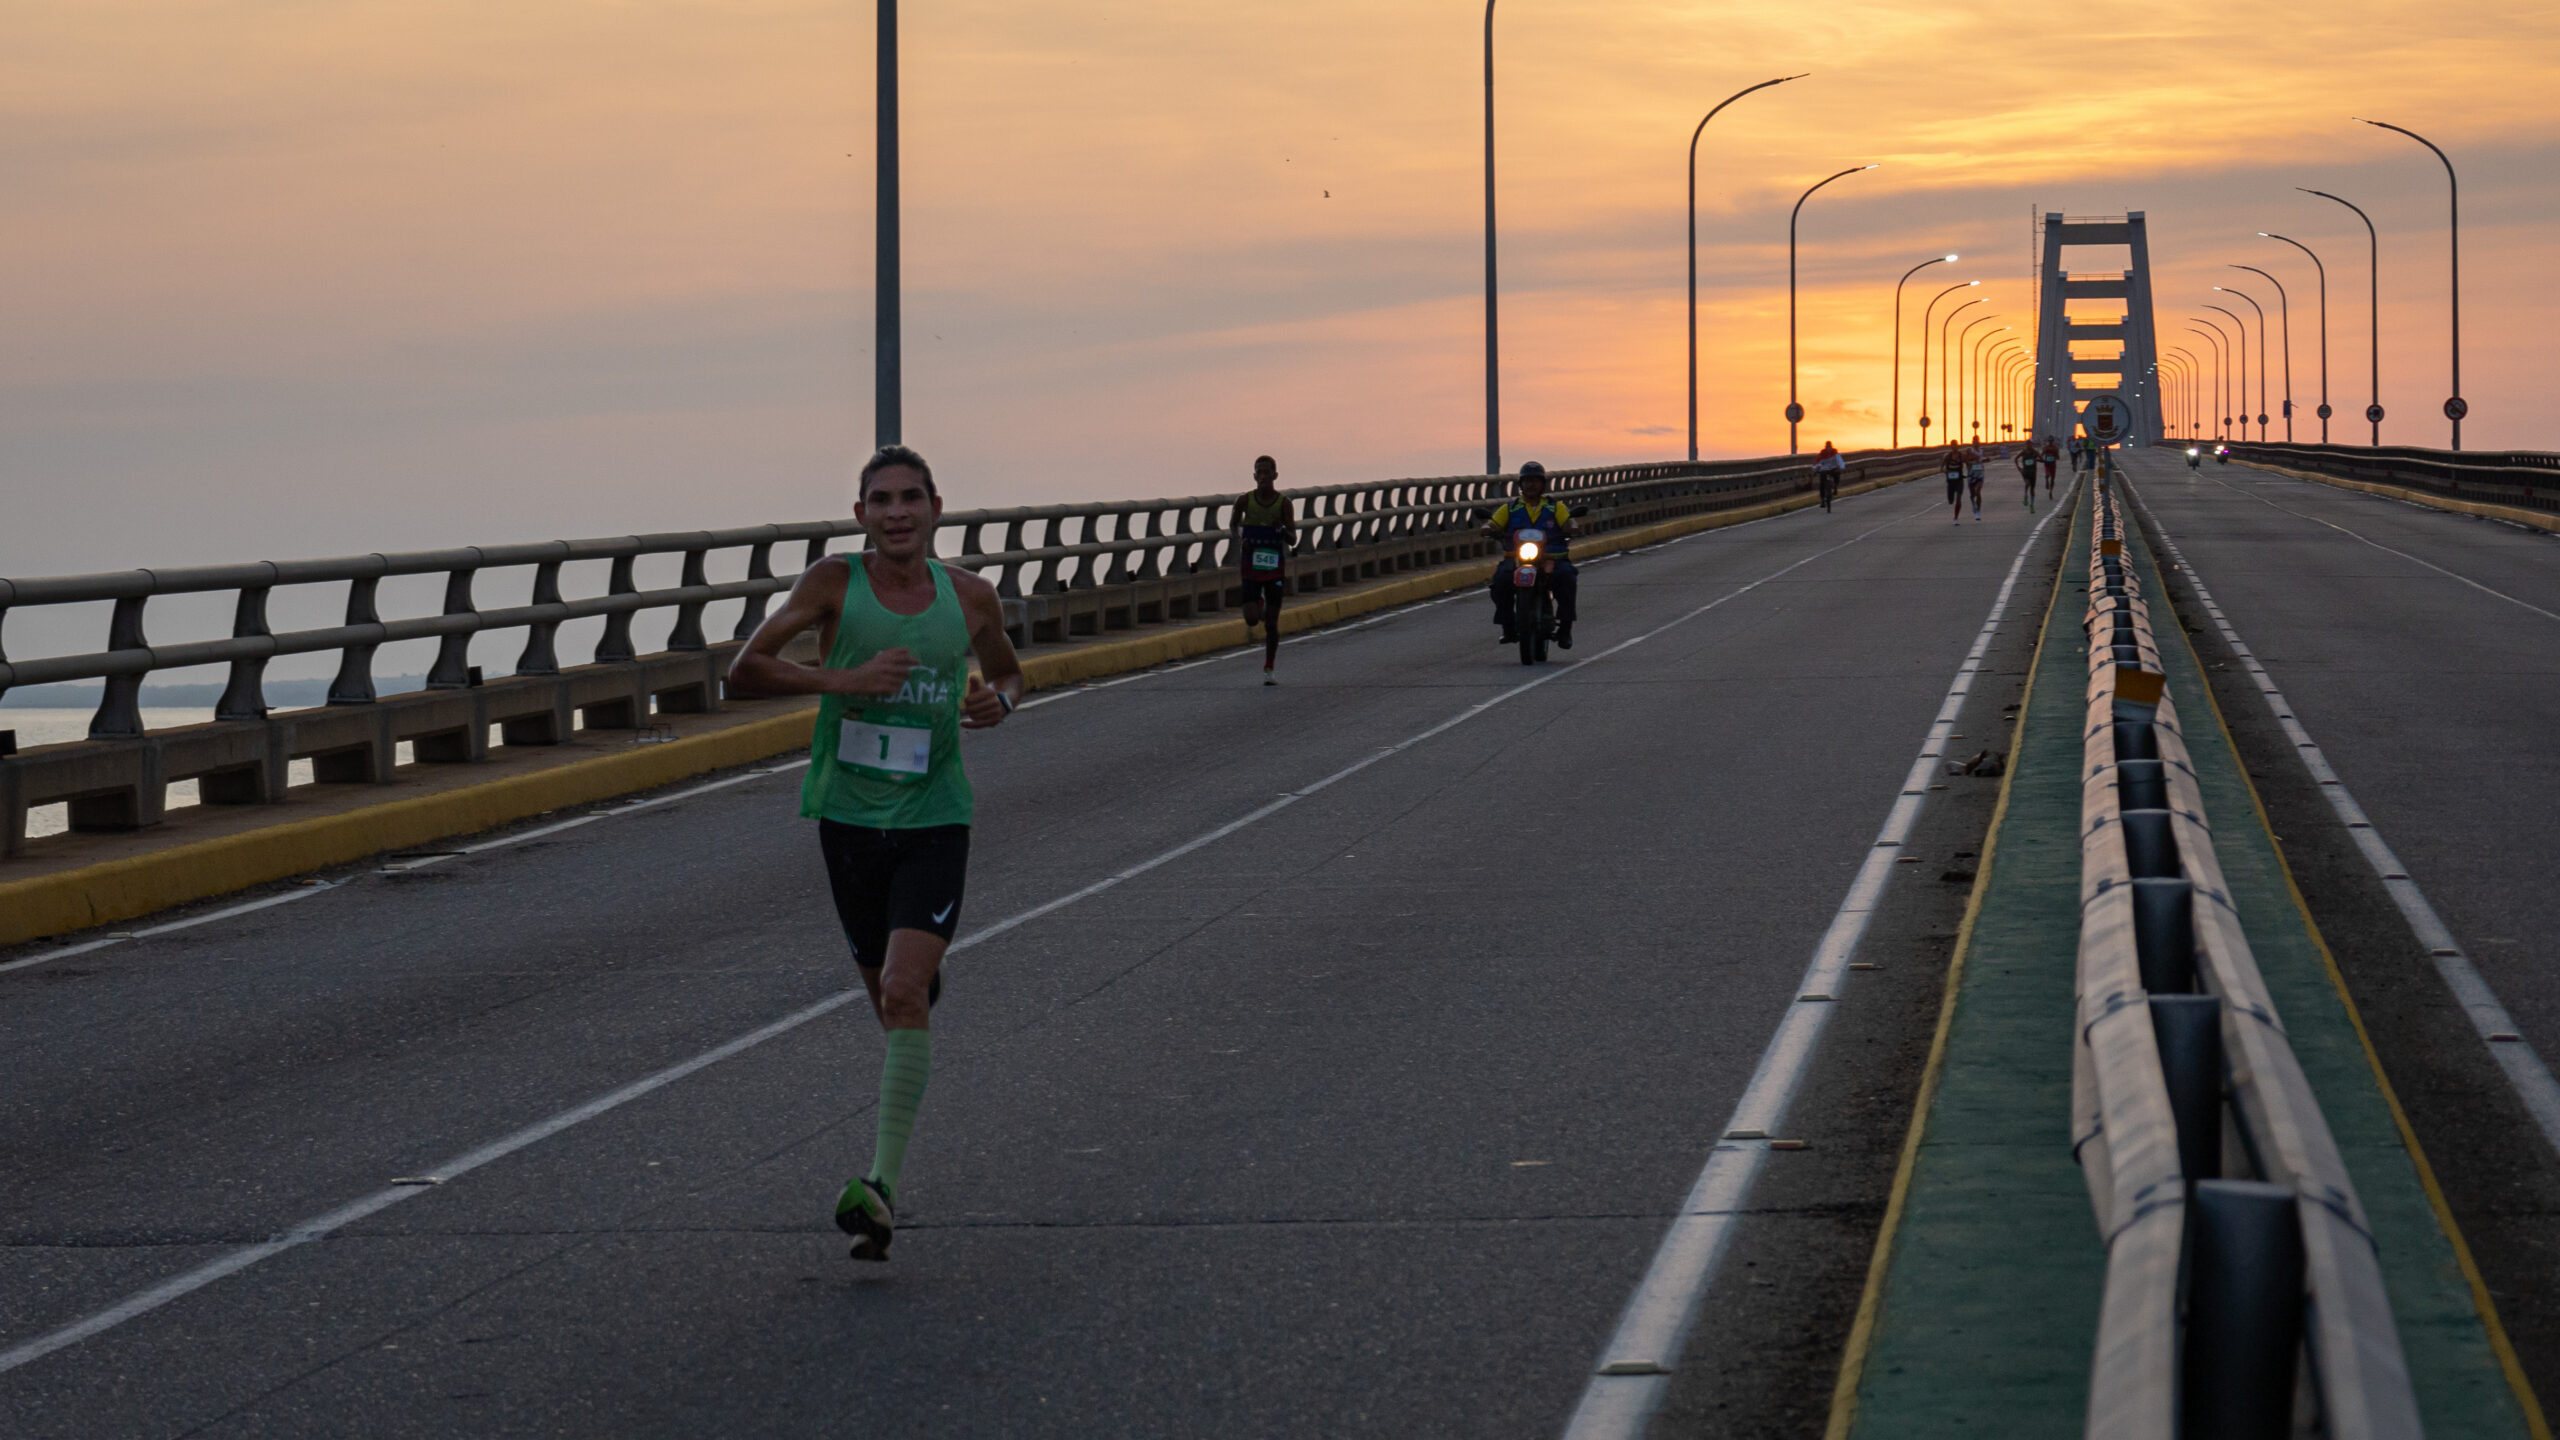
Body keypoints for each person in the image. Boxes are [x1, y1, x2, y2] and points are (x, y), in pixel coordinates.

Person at [727, 444, 1026, 1264]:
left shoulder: (970, 598)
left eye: (911, 498)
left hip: (935, 817)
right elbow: (741, 671)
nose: (897, 512)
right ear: (860, 514)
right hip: (849, 821)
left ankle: (881, 1192)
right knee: (892, 1001)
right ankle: (914, 987)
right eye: (881, 500)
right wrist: (843, 684)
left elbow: (1008, 673)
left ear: (937, 508)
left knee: (900, 991)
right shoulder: (833, 583)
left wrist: (996, 702)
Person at [1484, 461, 1577, 649]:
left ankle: (1565, 629)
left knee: (1567, 577)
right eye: (1527, 481)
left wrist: (1571, 527)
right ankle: (1508, 626)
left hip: (1551, 558)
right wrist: (1487, 528)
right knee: (1501, 581)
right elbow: (1493, 524)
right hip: (1517, 558)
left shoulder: (1554, 507)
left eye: (1535, 480)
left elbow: (1569, 522)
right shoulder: (1511, 508)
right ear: (1521, 484)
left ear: (1543, 484)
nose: (1531, 485)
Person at [1232, 456, 1297, 685]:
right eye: (1259, 472)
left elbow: (1293, 539)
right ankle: (1257, 605)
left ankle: (1269, 666)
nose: (1263, 477)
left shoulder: (1284, 504)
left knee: (1271, 623)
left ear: (1275, 476)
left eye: (1267, 472)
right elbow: (1233, 526)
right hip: (1251, 565)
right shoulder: (1244, 501)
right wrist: (1243, 538)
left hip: (1274, 568)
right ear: (1254, 476)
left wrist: (1280, 531)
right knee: (1251, 619)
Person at [1812, 441, 1846, 513]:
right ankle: (1822, 500)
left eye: (1829, 447)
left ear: (1831, 447)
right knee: (1822, 484)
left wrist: (1841, 467)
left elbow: (1840, 461)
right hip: (1824, 470)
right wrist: (1815, 469)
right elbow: (1817, 462)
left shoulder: (1835, 453)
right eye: (1827, 447)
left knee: (1837, 475)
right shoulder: (1822, 454)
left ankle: (1835, 486)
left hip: (1833, 469)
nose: (1828, 449)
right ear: (1825, 447)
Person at [1941, 445, 1966, 526]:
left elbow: (1968, 463)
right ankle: (1951, 500)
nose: (1955, 448)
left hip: (1959, 480)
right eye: (1953, 446)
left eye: (1956, 446)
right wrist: (1946, 472)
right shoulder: (1947, 456)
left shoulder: (1961, 455)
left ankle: (1956, 518)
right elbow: (1942, 468)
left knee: (1959, 498)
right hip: (1951, 481)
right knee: (1951, 501)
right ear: (1951, 447)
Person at [2013, 442, 2040, 510]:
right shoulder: (2023, 452)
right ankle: (2025, 495)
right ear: (2026, 445)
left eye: (2030, 444)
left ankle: (2031, 505)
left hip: (2033, 472)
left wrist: (2036, 459)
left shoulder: (2035, 452)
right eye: (2027, 444)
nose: (2029, 446)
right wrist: (2018, 467)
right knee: (2027, 483)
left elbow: (2041, 458)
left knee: (2032, 489)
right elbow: (2015, 459)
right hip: (2025, 471)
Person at [1964, 443, 1986, 521]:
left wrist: (1984, 461)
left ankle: (1978, 512)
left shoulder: (1981, 451)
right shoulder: (1969, 451)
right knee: (1972, 494)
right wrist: (1971, 461)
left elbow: (1982, 460)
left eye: (1977, 440)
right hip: (1971, 476)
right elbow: (1966, 462)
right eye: (1974, 441)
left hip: (1980, 475)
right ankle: (1973, 504)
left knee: (1978, 491)